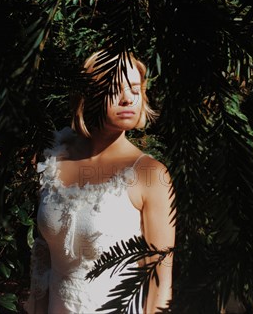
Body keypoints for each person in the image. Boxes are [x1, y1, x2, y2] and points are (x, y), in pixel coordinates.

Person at [25, 51, 175, 313]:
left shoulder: (151, 174)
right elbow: (42, 258)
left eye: (135, 89)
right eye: (115, 88)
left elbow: (160, 279)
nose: (128, 98)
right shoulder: (53, 157)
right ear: (88, 95)